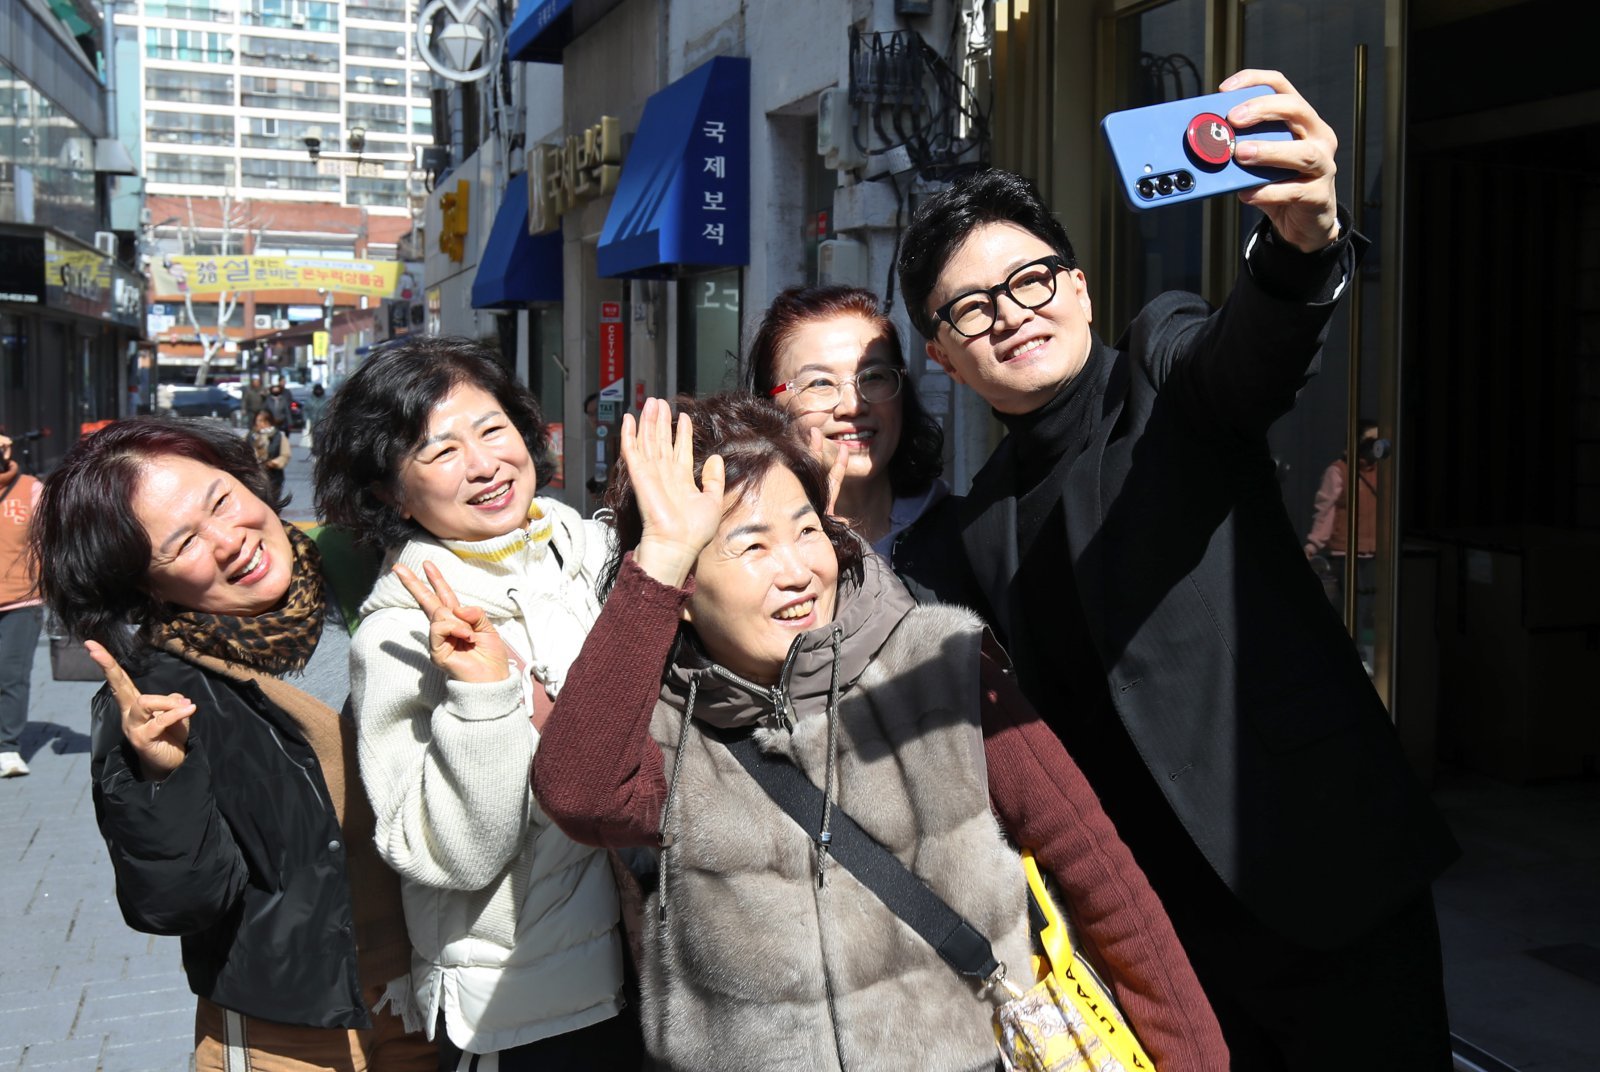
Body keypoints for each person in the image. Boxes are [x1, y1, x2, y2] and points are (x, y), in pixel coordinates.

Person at [895, 70, 1459, 1069]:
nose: (1011, 314)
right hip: (1160, 954)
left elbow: (1251, 354)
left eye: (1029, 280)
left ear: (1077, 286)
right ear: (941, 353)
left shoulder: (1160, 365)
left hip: (1328, 882)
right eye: (970, 308)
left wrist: (1303, 244)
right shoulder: (964, 539)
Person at [530, 394, 1228, 1072]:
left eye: (807, 530)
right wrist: (655, 566)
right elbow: (578, 794)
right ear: (682, 587)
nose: (798, 570)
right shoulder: (662, 730)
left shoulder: (938, 667)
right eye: (751, 546)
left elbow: (1101, 876)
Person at [30, 417, 434, 1071]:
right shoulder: (158, 692)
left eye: (220, 500)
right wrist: (163, 777)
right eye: (183, 542)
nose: (229, 542)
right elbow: (176, 901)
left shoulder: (365, 576)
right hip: (296, 1029)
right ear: (144, 582)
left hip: (439, 991)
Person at [313, 337, 641, 1069]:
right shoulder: (401, 634)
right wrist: (487, 697)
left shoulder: (600, 553)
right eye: (438, 451)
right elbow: (454, 855)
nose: (485, 465)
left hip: (657, 964)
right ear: (388, 493)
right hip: (523, 1009)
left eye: (493, 430)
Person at [746, 284, 947, 561]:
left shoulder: (968, 540)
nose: (853, 406)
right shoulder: (745, 556)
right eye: (820, 383)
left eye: (874, 377)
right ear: (767, 406)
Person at [0, 434, 43, 778]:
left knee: (12, 675)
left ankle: (7, 748)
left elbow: (51, 539)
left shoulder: (30, 489)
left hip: (21, 599)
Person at [250, 407, 291, 501]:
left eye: (265, 421)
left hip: (274, 476)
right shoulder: (250, 435)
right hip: (254, 476)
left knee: (273, 503)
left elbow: (285, 454)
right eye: (259, 420)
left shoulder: (279, 436)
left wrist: (274, 463)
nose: (261, 424)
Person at [303, 382, 331, 448]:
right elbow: (305, 410)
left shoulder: (326, 400)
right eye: (317, 390)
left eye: (319, 390)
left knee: (323, 441)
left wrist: (329, 420)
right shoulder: (309, 400)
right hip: (312, 423)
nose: (318, 391)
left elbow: (330, 411)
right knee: (313, 441)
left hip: (323, 424)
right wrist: (306, 419)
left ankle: (321, 452)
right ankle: (315, 451)